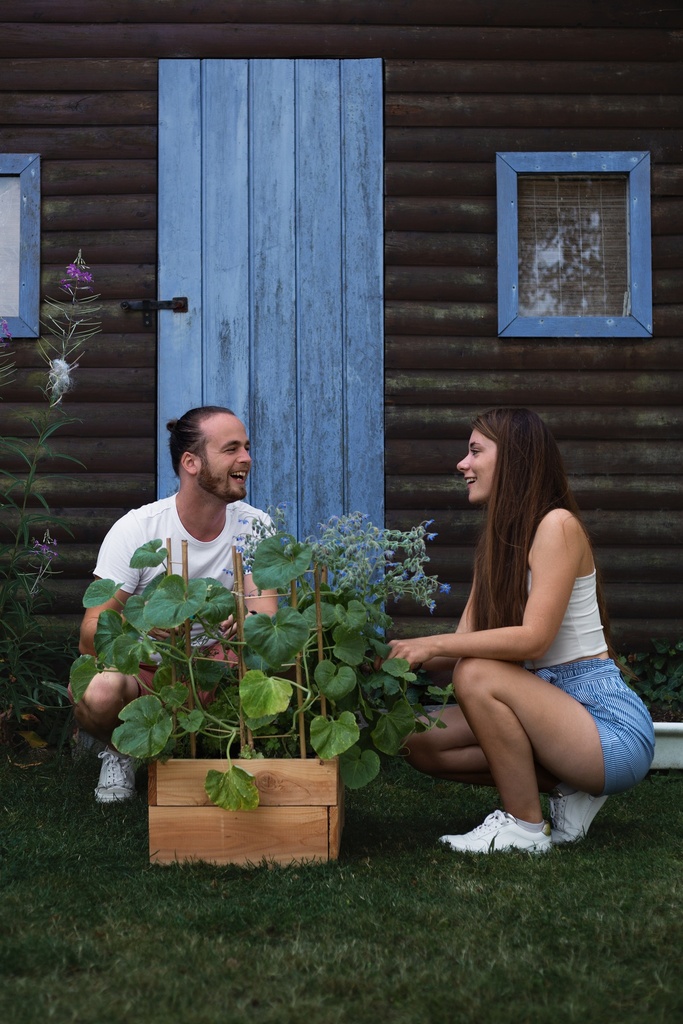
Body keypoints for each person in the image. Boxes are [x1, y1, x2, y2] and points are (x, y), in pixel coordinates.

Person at [384, 407, 654, 854]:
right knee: (414, 737)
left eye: (475, 451)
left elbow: (534, 639)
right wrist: (383, 657)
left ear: (512, 458)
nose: (461, 464)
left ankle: (524, 828)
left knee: (475, 673)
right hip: (549, 712)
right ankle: (569, 789)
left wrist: (429, 643)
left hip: (607, 728)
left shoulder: (557, 525)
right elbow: (454, 650)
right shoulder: (497, 543)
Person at [73, 405, 278, 803]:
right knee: (100, 691)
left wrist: (246, 619)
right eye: (231, 449)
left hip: (219, 669)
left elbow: (267, 616)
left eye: (247, 448)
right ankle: (120, 750)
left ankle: (229, 748)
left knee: (278, 660)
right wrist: (142, 629)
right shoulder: (138, 530)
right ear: (191, 462)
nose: (247, 459)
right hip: (150, 673)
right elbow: (89, 635)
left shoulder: (255, 526)